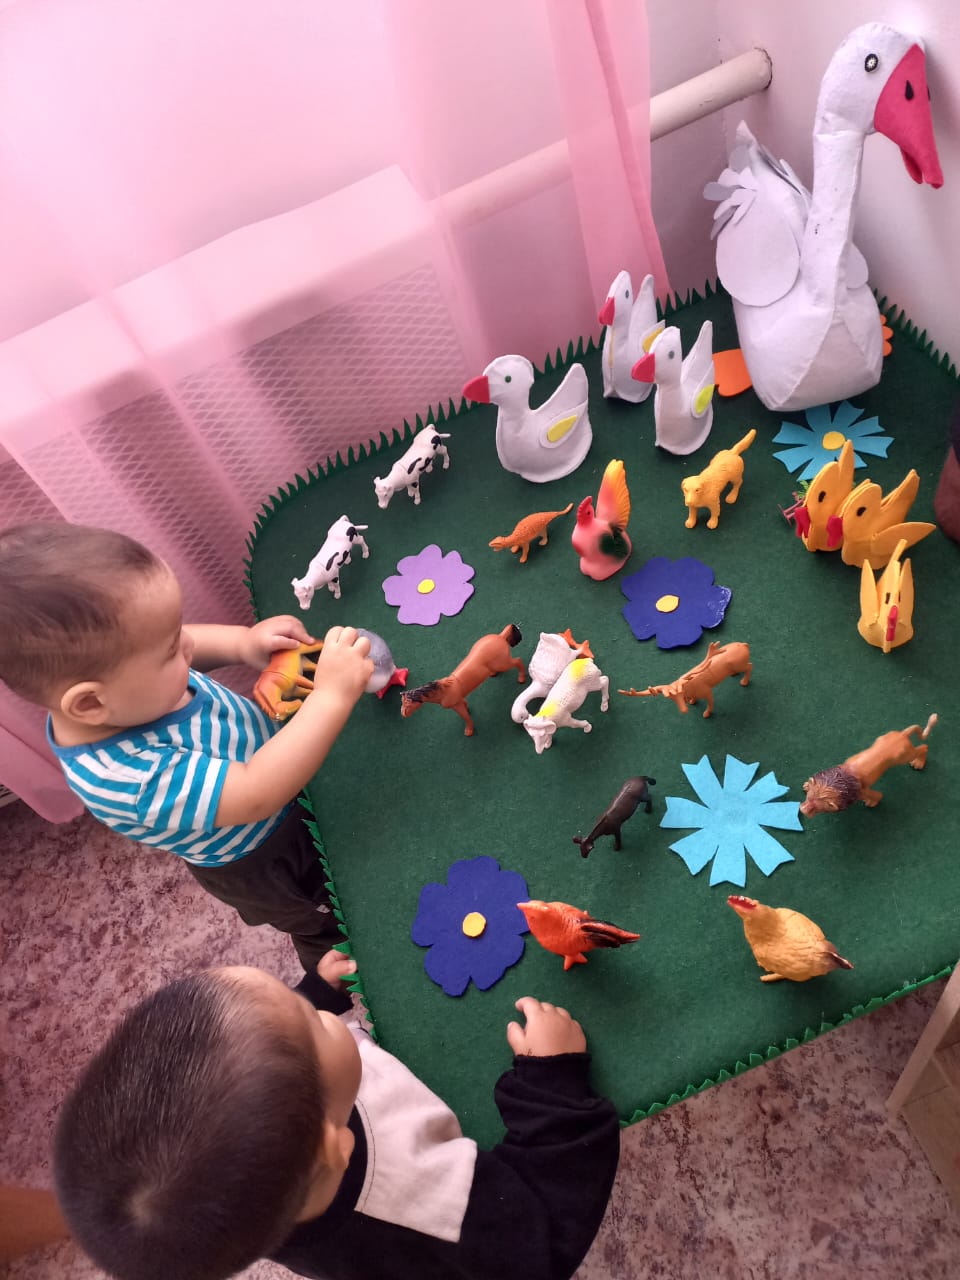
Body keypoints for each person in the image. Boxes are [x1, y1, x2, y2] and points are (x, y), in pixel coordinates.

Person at [53, 966, 621, 1280]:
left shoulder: (261, 1189)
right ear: (334, 1146)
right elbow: (545, 1241)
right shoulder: (421, 1206)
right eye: (312, 1020)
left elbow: (262, 1059)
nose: (321, 1014)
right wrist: (553, 1084)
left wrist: (315, 992)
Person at [0, 521, 374, 976]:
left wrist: (242, 643)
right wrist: (331, 696)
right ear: (90, 703)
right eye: (171, 651)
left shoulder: (125, 683)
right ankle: (330, 978)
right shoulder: (129, 779)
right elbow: (256, 791)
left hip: (276, 782)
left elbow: (180, 642)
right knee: (330, 913)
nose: (189, 644)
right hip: (269, 852)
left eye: (177, 630)